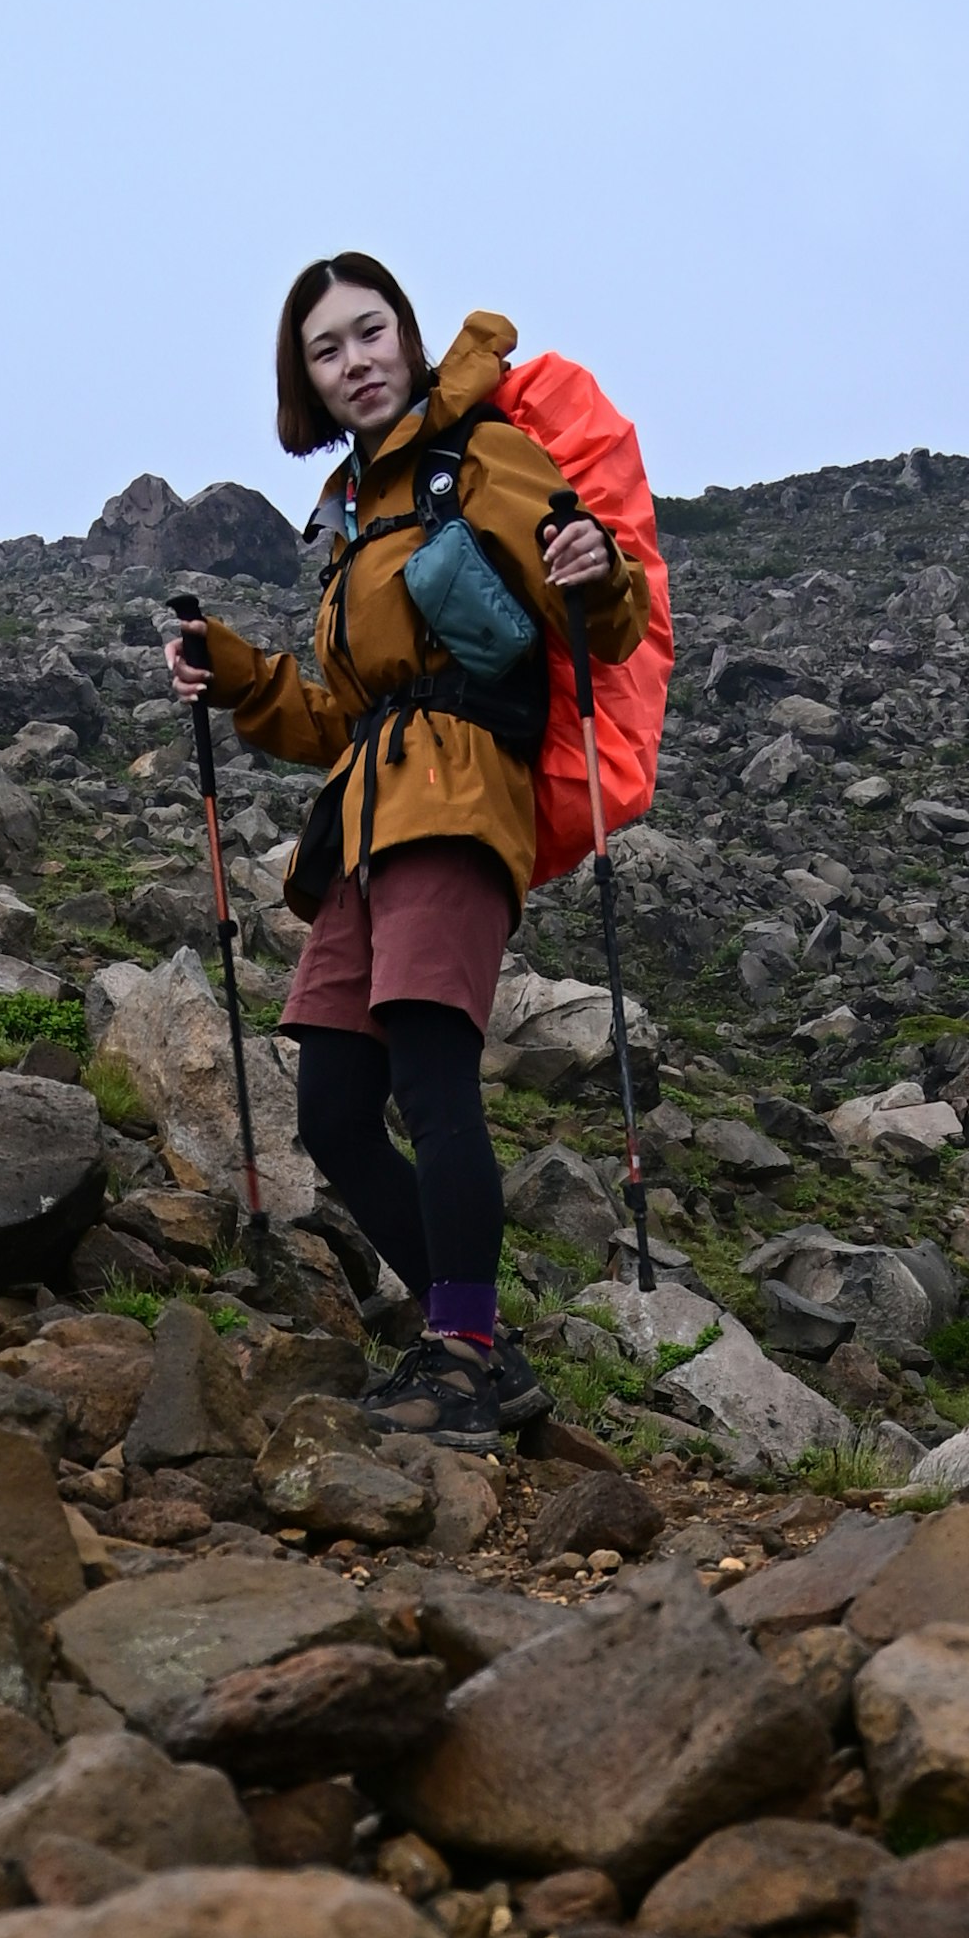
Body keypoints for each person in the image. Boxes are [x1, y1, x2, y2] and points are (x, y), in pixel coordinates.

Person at [168, 256, 651, 1453]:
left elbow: (597, 610)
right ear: (311, 382)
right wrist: (236, 671)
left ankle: (463, 1349)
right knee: (333, 1111)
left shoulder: (475, 457)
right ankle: (475, 1334)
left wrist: (598, 568)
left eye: (370, 332)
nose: (356, 361)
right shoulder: (349, 512)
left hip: (458, 801)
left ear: (408, 334)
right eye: (328, 350)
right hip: (365, 825)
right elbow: (334, 713)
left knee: (433, 1082)